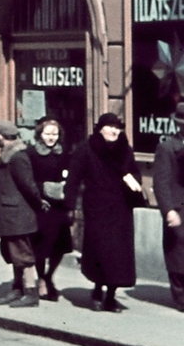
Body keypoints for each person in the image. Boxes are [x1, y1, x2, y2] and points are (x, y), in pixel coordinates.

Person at [65, 112, 143, 312]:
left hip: (120, 207)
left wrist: (132, 180)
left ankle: (111, 295)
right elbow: (73, 179)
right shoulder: (86, 149)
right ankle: (98, 289)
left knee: (118, 254)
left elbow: (134, 172)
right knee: (100, 251)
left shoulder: (125, 150)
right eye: (110, 127)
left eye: (117, 127)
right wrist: (70, 206)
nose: (114, 131)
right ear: (100, 128)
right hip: (97, 208)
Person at [0, 120, 42, 307]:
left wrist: (39, 202)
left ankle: (31, 292)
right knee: (13, 253)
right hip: (10, 213)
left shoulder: (17, 157)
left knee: (23, 254)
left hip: (17, 214)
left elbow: (28, 185)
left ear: (1, 136)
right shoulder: (9, 154)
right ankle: (17, 288)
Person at [29, 115, 72, 301]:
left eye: (55, 134)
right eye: (48, 133)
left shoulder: (64, 153)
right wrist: (44, 188)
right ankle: (40, 280)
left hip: (59, 207)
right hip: (42, 206)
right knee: (40, 248)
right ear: (40, 134)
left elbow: (71, 176)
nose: (51, 137)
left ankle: (49, 276)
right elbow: (27, 180)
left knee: (59, 247)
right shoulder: (32, 153)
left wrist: (65, 190)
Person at [152, 100, 184, 311]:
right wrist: (168, 210)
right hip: (178, 208)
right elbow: (160, 183)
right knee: (178, 256)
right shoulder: (167, 148)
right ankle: (181, 297)